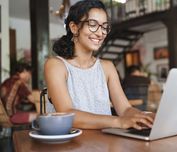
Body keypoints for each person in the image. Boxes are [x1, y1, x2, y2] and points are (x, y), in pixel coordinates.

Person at [44, 0, 154, 130]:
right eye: (92, 24)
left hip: (104, 142)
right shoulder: (56, 65)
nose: (100, 33)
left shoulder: (107, 67)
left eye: (104, 26)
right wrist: (119, 122)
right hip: (68, 144)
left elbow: (125, 109)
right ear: (74, 27)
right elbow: (67, 114)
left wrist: (146, 117)